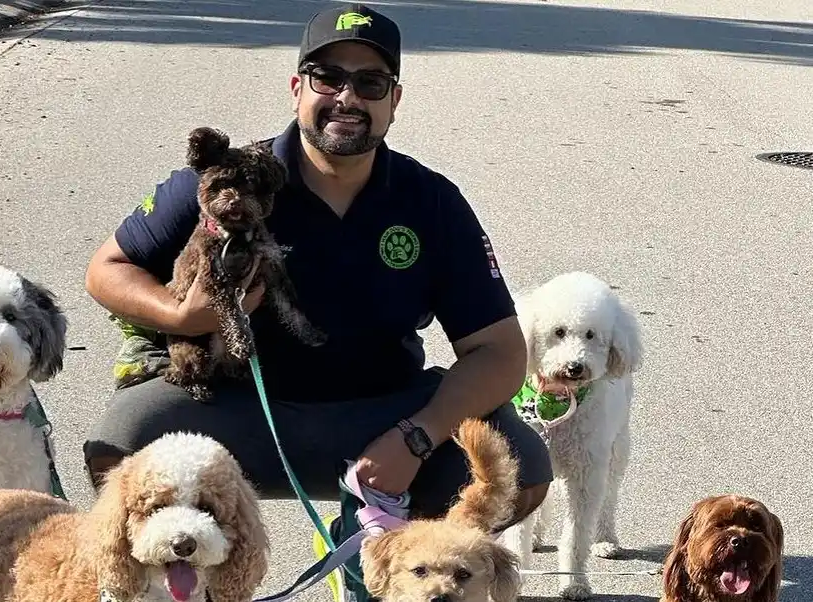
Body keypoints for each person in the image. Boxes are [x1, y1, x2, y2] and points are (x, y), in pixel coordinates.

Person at [83, 2, 551, 597]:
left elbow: (500, 352)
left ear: (394, 100)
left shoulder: (431, 201)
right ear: (297, 88)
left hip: (381, 415)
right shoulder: (232, 176)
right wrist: (180, 315)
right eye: (328, 77)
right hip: (242, 408)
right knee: (123, 439)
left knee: (522, 469)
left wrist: (417, 436)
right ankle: (181, 585)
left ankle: (376, 559)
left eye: (370, 83)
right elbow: (107, 269)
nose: (347, 97)